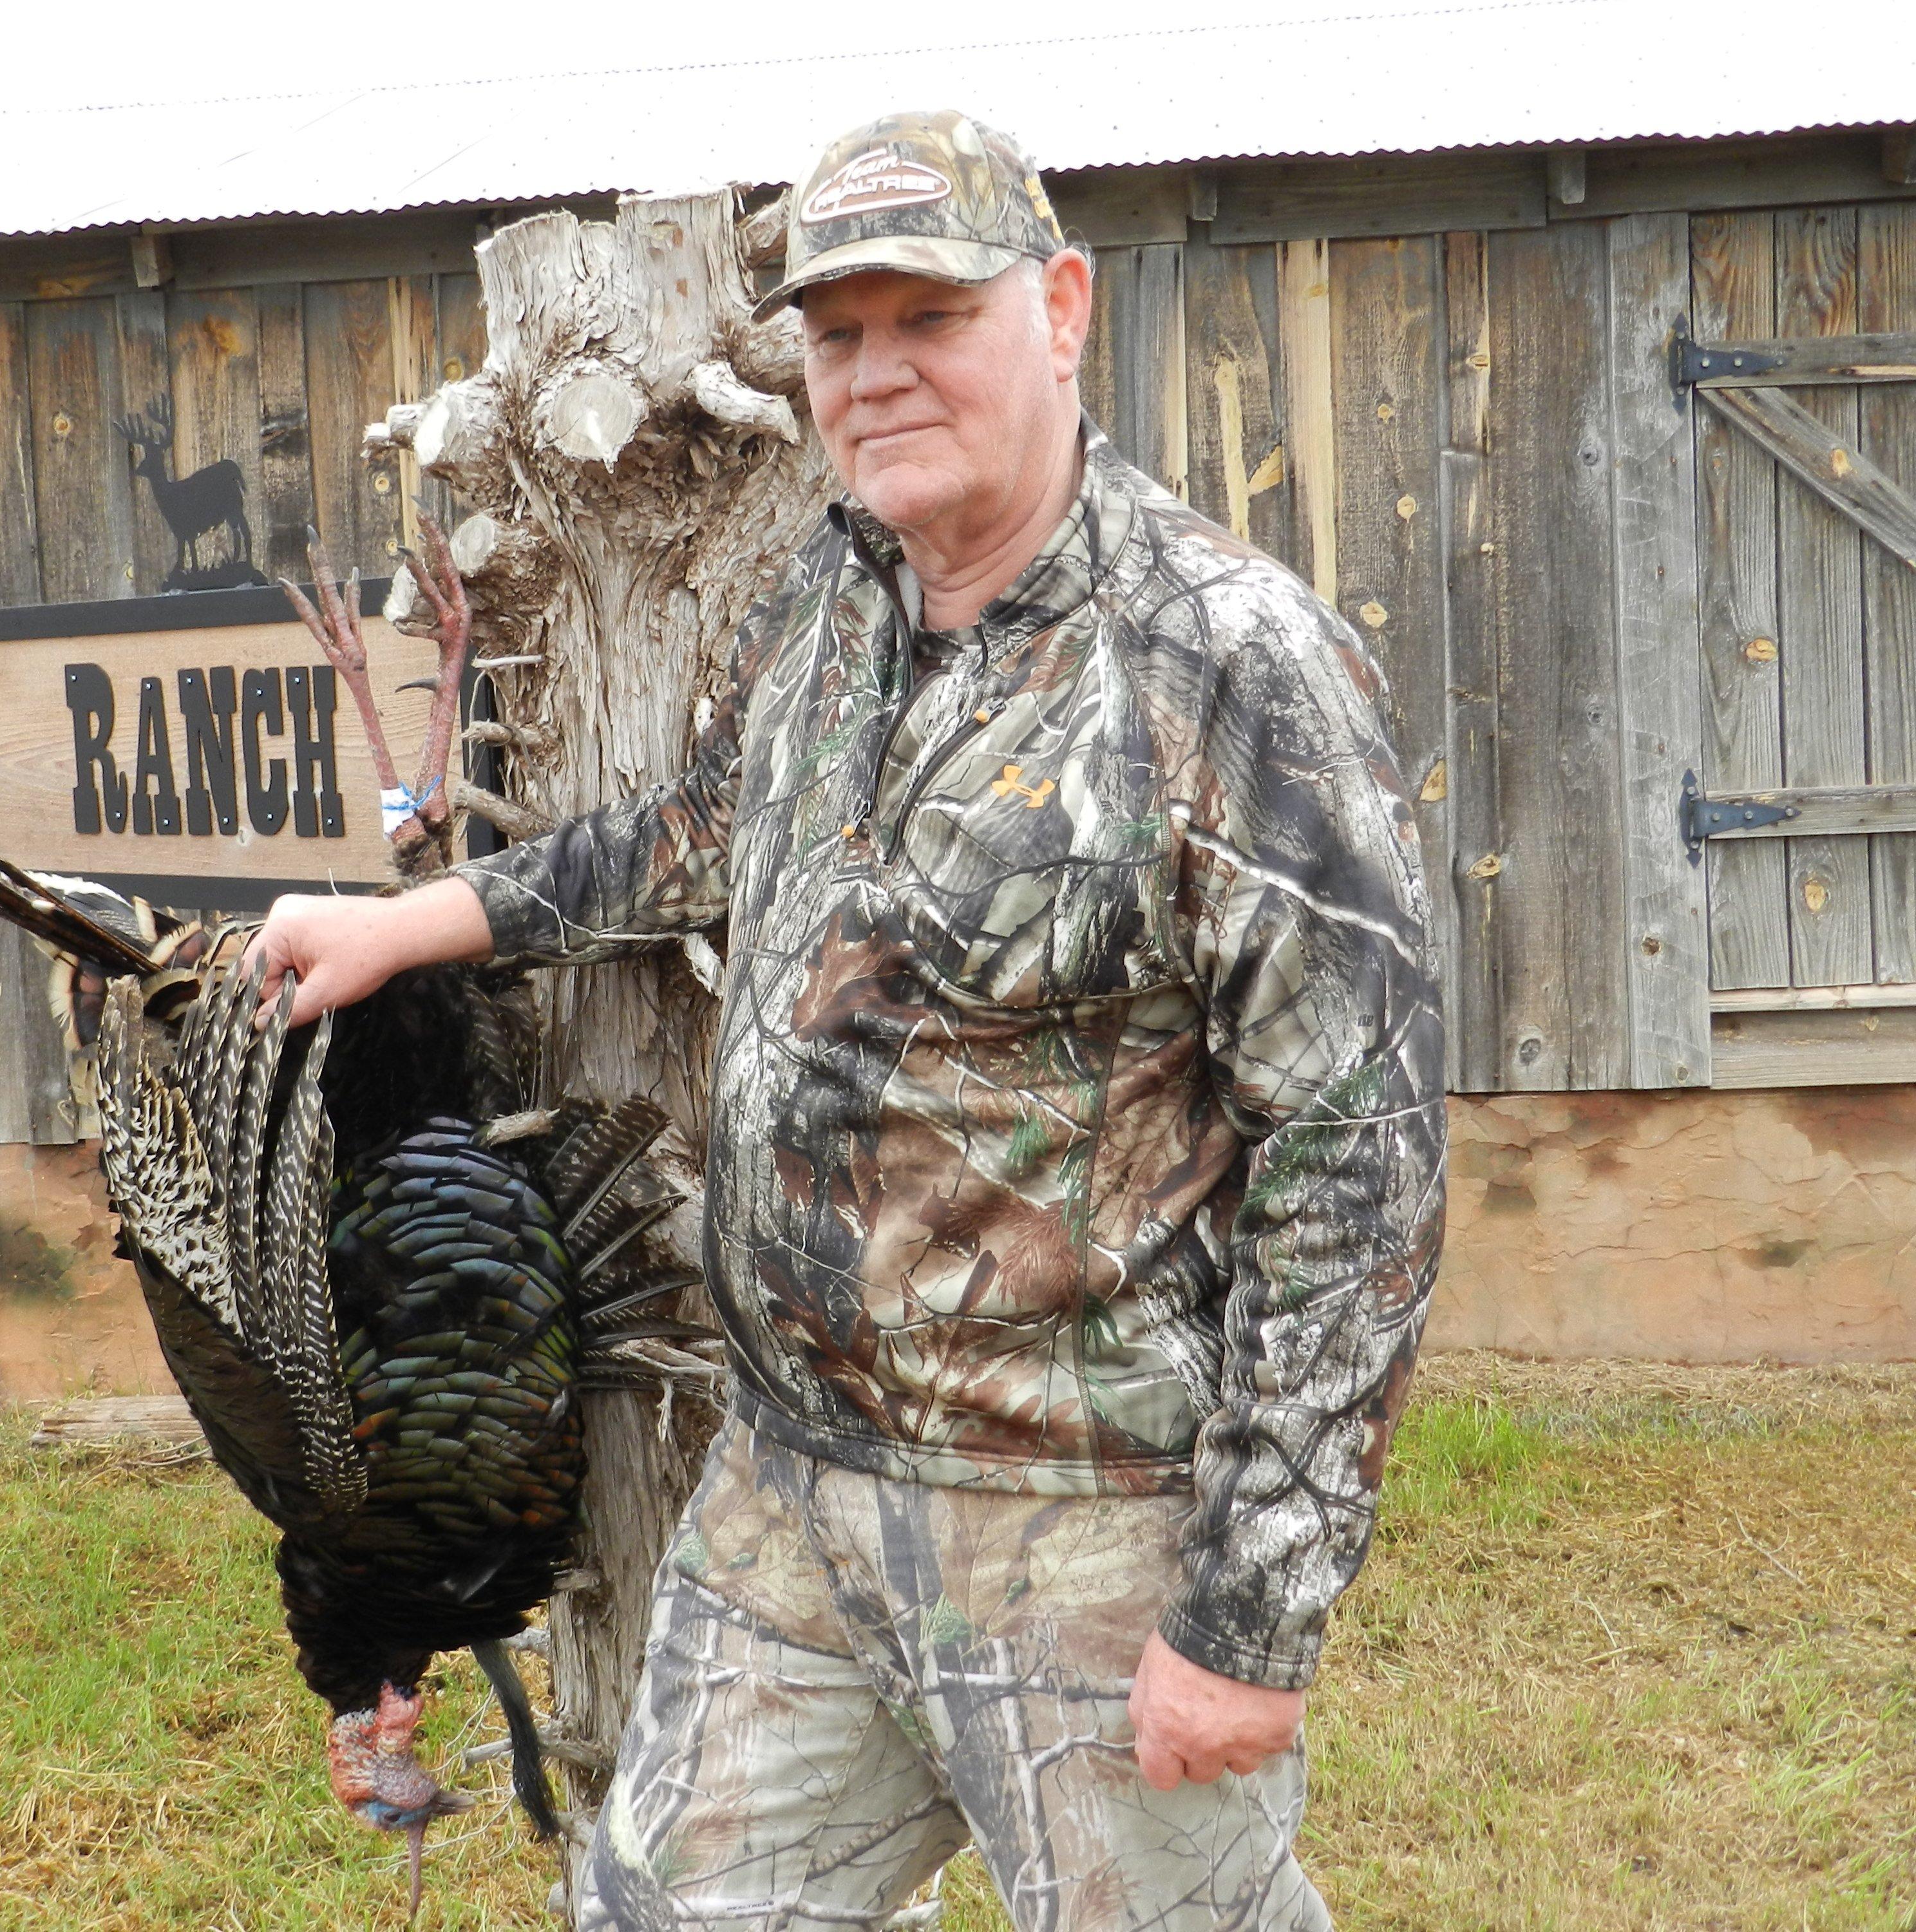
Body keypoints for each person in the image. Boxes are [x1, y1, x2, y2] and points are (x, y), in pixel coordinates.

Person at [249, 109, 1445, 1932]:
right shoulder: (836, 598)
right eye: (835, 336)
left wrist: (1250, 1616)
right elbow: (703, 836)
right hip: (792, 1498)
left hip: (1083, 1526)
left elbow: (1355, 1170)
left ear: (1059, 309)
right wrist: (417, 923)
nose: (875, 376)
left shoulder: (1232, 666)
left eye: (928, 321)